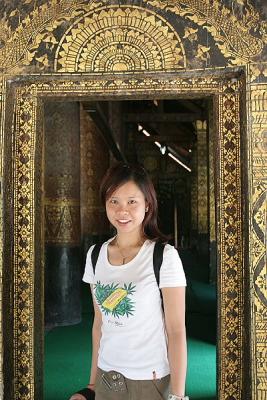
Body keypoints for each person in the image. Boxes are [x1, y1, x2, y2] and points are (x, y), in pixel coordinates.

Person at [70, 162, 189, 400]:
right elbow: (99, 324)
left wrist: (177, 396)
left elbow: (176, 331)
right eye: (114, 201)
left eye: (132, 202)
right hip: (107, 380)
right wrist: (92, 385)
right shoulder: (95, 256)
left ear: (147, 205)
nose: (122, 210)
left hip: (150, 381)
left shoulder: (163, 256)